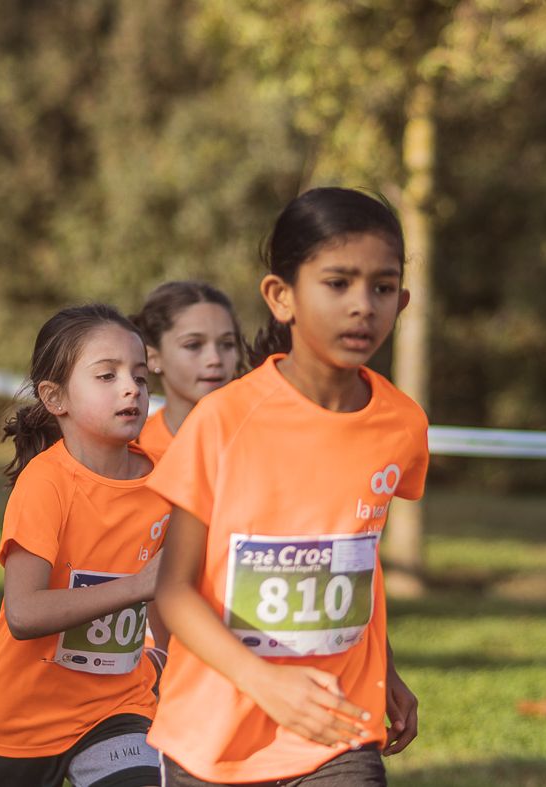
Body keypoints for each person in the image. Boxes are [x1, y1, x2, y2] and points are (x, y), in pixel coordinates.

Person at [149, 188, 428, 786]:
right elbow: (173, 592)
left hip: (337, 729)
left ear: (402, 301)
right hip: (212, 737)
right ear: (282, 297)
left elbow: (354, 561)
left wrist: (387, 669)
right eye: (338, 283)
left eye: (382, 288)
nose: (363, 306)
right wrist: (265, 683)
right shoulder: (222, 421)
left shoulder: (402, 424)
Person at [0, 305, 168, 787]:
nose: (131, 387)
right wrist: (138, 586)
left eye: (140, 376)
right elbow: (24, 614)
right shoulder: (45, 483)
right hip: (18, 723)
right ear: (55, 397)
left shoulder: (168, 479)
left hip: (116, 708)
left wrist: (165, 660)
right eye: (106, 376)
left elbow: (171, 590)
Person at [131, 281, 243, 462]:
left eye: (227, 344)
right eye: (193, 345)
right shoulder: (131, 449)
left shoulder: (264, 435)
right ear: (153, 358)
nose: (215, 359)